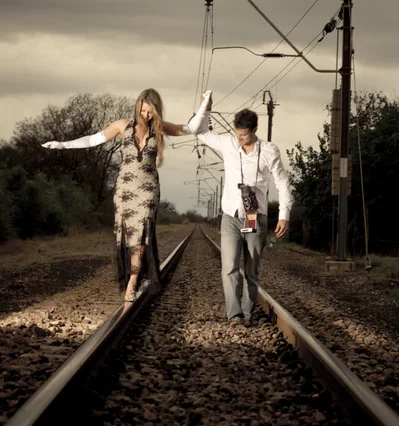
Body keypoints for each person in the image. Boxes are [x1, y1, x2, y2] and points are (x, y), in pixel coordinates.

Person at [42, 88, 212, 301]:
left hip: (148, 190)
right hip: (124, 190)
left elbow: (192, 128)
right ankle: (135, 276)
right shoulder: (122, 125)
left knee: (141, 237)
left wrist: (205, 105)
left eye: (150, 112)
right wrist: (62, 145)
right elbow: (93, 140)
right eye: (143, 110)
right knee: (128, 237)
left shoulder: (159, 128)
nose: (146, 115)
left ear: (157, 112)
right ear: (138, 106)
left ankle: (132, 283)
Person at [196, 101, 293, 327]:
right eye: (237, 134)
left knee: (251, 269)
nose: (240, 139)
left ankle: (248, 313)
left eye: (244, 135)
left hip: (255, 216)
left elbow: (283, 182)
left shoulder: (269, 151)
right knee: (229, 267)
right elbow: (199, 131)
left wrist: (284, 214)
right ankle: (234, 314)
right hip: (231, 215)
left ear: (254, 131)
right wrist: (206, 108)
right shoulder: (229, 143)